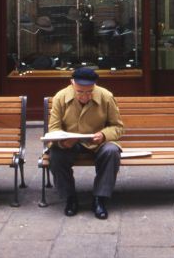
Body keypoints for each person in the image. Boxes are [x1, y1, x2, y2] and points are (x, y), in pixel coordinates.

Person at [47, 67, 124, 220]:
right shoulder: (60, 97)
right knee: (56, 154)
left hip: (98, 142)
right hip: (71, 141)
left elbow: (118, 127)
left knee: (111, 152)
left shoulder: (106, 96)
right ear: (72, 83)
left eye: (89, 92)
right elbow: (54, 128)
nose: (85, 96)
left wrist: (103, 135)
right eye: (80, 92)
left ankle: (99, 199)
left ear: (94, 86)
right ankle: (70, 198)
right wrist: (63, 142)